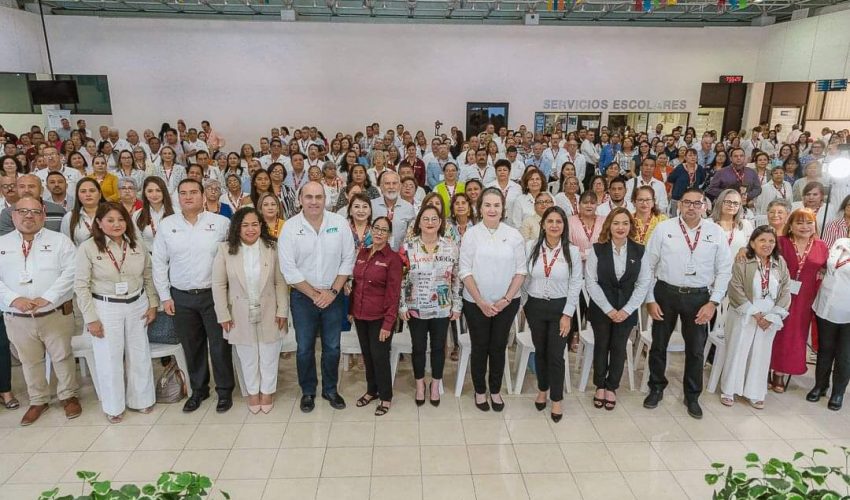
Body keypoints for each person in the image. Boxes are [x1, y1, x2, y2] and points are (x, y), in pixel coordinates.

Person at [643, 188, 732, 419]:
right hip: (666, 293)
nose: (691, 207)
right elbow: (647, 265)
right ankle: (656, 387)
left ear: (705, 206)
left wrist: (713, 303)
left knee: (695, 350)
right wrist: (650, 299)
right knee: (658, 345)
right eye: (686, 202)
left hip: (699, 298)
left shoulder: (716, 232)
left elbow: (724, 270)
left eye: (697, 203)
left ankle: (692, 395)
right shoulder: (665, 229)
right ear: (679, 205)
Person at [153, 178, 233, 413]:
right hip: (182, 296)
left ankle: (225, 391)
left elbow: (231, 257)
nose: (188, 197)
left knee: (219, 346)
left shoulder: (221, 223)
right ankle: (199, 390)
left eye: (193, 192)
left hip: (214, 295)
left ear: (203, 195)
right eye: (183, 193)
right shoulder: (167, 225)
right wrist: (165, 296)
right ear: (177, 197)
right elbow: (158, 262)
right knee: (192, 346)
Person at [74, 201, 159, 422]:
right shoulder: (88, 248)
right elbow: (81, 286)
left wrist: (152, 303)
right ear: (99, 223)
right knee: (109, 357)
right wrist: (91, 319)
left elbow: (148, 277)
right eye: (110, 220)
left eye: (121, 219)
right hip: (105, 307)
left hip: (137, 303)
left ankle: (142, 400)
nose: (117, 224)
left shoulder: (136, 244)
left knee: (139, 354)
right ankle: (114, 407)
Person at [0, 196, 79, 426]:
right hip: (17, 316)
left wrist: (48, 298)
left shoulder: (60, 241)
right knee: (29, 360)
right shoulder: (2, 244)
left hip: (54, 313)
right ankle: (38, 399)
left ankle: (68, 396)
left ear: (44, 215)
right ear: (13, 215)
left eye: (35, 212)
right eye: (23, 211)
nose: (29, 216)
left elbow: (71, 272)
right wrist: (15, 299)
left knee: (62, 356)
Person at [279, 181, 355, 413]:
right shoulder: (290, 227)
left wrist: (332, 292)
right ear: (300, 199)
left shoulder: (339, 223)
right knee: (304, 348)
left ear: (326, 199)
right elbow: (289, 270)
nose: (314, 201)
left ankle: (330, 389)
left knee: (332, 346)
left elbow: (348, 259)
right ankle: (308, 391)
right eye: (309, 197)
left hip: (334, 295)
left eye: (318, 197)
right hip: (303, 297)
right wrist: (314, 294)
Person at [212, 207, 289, 414]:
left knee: (269, 353)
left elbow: (280, 282)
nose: (250, 229)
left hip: (269, 309)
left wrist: (282, 310)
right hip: (237, 311)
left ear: (261, 226)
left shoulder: (272, 247)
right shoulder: (225, 249)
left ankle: (267, 391)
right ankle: (252, 392)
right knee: (247, 355)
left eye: (255, 224)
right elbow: (218, 285)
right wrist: (223, 314)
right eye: (245, 225)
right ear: (237, 228)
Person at [459, 187, 526, 412]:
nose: (492, 209)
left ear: (503, 209)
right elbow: (465, 271)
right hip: (475, 302)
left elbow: (521, 271)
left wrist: (506, 300)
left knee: (498, 346)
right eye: (487, 205)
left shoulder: (514, 234)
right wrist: (480, 301)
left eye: (496, 205)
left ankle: (495, 390)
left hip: (506, 304)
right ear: (480, 208)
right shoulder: (471, 234)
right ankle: (480, 391)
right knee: (480, 346)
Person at [586, 208, 651, 411]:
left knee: (619, 347)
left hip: (627, 310)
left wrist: (627, 310)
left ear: (630, 226)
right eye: (616, 223)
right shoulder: (597, 249)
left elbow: (643, 283)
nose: (620, 227)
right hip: (601, 309)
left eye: (625, 223)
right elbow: (591, 282)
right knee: (601, 345)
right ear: (609, 226)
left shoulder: (640, 251)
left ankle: (612, 387)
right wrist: (608, 309)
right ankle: (599, 386)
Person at [720, 226, 791, 409]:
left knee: (761, 354)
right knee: (738, 351)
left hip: (769, 318)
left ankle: (755, 392)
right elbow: (735, 288)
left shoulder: (779, 262)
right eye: (762, 240)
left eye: (771, 241)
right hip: (744, 313)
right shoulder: (743, 260)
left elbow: (785, 291)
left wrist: (773, 315)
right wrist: (755, 313)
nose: (767, 244)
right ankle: (729, 390)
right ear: (752, 242)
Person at [523, 206, 582, 421]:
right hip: (535, 306)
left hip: (561, 309)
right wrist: (523, 304)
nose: (554, 225)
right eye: (550, 221)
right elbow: (524, 277)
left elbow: (576, 284)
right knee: (540, 352)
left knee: (556, 355)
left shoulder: (572, 251)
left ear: (564, 226)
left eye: (559, 221)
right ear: (543, 224)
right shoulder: (531, 246)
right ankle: (542, 390)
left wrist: (568, 314)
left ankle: (556, 399)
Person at [399, 205, 461, 407]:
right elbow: (400, 279)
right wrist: (402, 305)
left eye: (434, 219)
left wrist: (457, 304)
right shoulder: (408, 247)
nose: (430, 223)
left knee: (437, 348)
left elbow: (456, 278)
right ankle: (419, 385)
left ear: (441, 222)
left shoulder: (451, 246)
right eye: (425, 219)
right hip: (415, 307)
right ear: (419, 223)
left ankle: (435, 384)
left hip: (442, 308)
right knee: (418, 348)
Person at [770, 208, 828, 393]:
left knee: (794, 335)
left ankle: (780, 371)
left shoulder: (821, 246)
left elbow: (828, 269)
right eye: (799, 222)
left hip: (806, 297)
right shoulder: (781, 243)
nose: (805, 226)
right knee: (775, 330)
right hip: (779, 293)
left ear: (815, 225)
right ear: (791, 225)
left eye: (809, 222)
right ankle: (764, 367)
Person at [350, 216, 402, 416]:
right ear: (371, 229)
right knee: (368, 355)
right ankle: (372, 390)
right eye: (377, 228)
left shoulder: (392, 258)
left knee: (380, 357)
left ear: (389, 235)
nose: (379, 232)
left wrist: (388, 323)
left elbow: (393, 293)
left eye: (384, 230)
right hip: (360, 315)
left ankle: (386, 397)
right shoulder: (362, 253)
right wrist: (350, 311)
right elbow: (356, 285)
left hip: (380, 318)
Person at [808, 237, 850, 410]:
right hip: (826, 305)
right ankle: (820, 385)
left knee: (844, 355)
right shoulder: (840, 242)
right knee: (825, 348)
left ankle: (838, 392)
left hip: (847, 310)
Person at [371, 170, 415, 251]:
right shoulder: (371, 205)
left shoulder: (408, 208)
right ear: (381, 186)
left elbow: (411, 236)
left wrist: (407, 254)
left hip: (399, 256)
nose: (391, 187)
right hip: (375, 255)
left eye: (394, 183)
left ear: (400, 186)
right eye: (387, 183)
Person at [711, 189, 755, 259]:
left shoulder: (745, 225)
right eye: (728, 202)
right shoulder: (708, 224)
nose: (731, 205)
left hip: (737, 268)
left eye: (736, 203)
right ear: (720, 202)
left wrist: (745, 249)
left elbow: (754, 247)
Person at [61, 178, 103, 246]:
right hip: (80, 255)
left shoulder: (111, 213)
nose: (88, 194)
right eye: (83, 191)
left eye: (92, 191)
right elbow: (66, 245)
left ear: (100, 194)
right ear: (77, 196)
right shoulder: (69, 217)